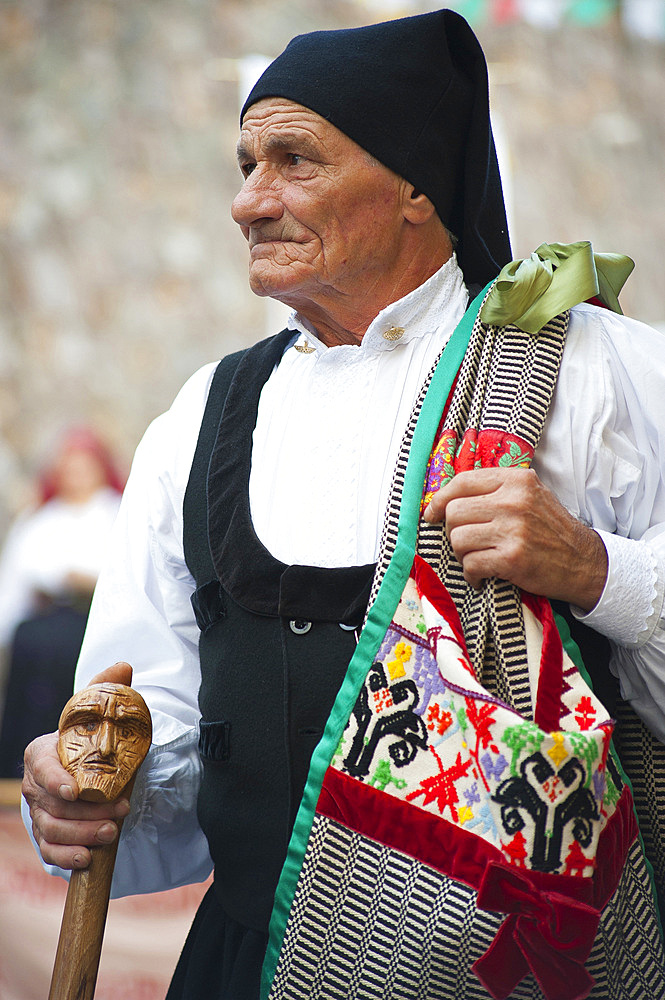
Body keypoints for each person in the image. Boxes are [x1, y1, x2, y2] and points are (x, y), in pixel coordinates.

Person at [20, 10, 665, 1000]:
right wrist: (90, 789)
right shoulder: (201, 418)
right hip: (252, 967)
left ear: (415, 182)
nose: (247, 201)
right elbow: (162, 735)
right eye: (244, 164)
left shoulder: (588, 374)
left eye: (292, 160)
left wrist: (594, 571)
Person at [0, 427, 123, 777]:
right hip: (42, 624)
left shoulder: (116, 513)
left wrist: (85, 582)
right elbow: (15, 586)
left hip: (91, 621)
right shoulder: (39, 519)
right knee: (32, 642)